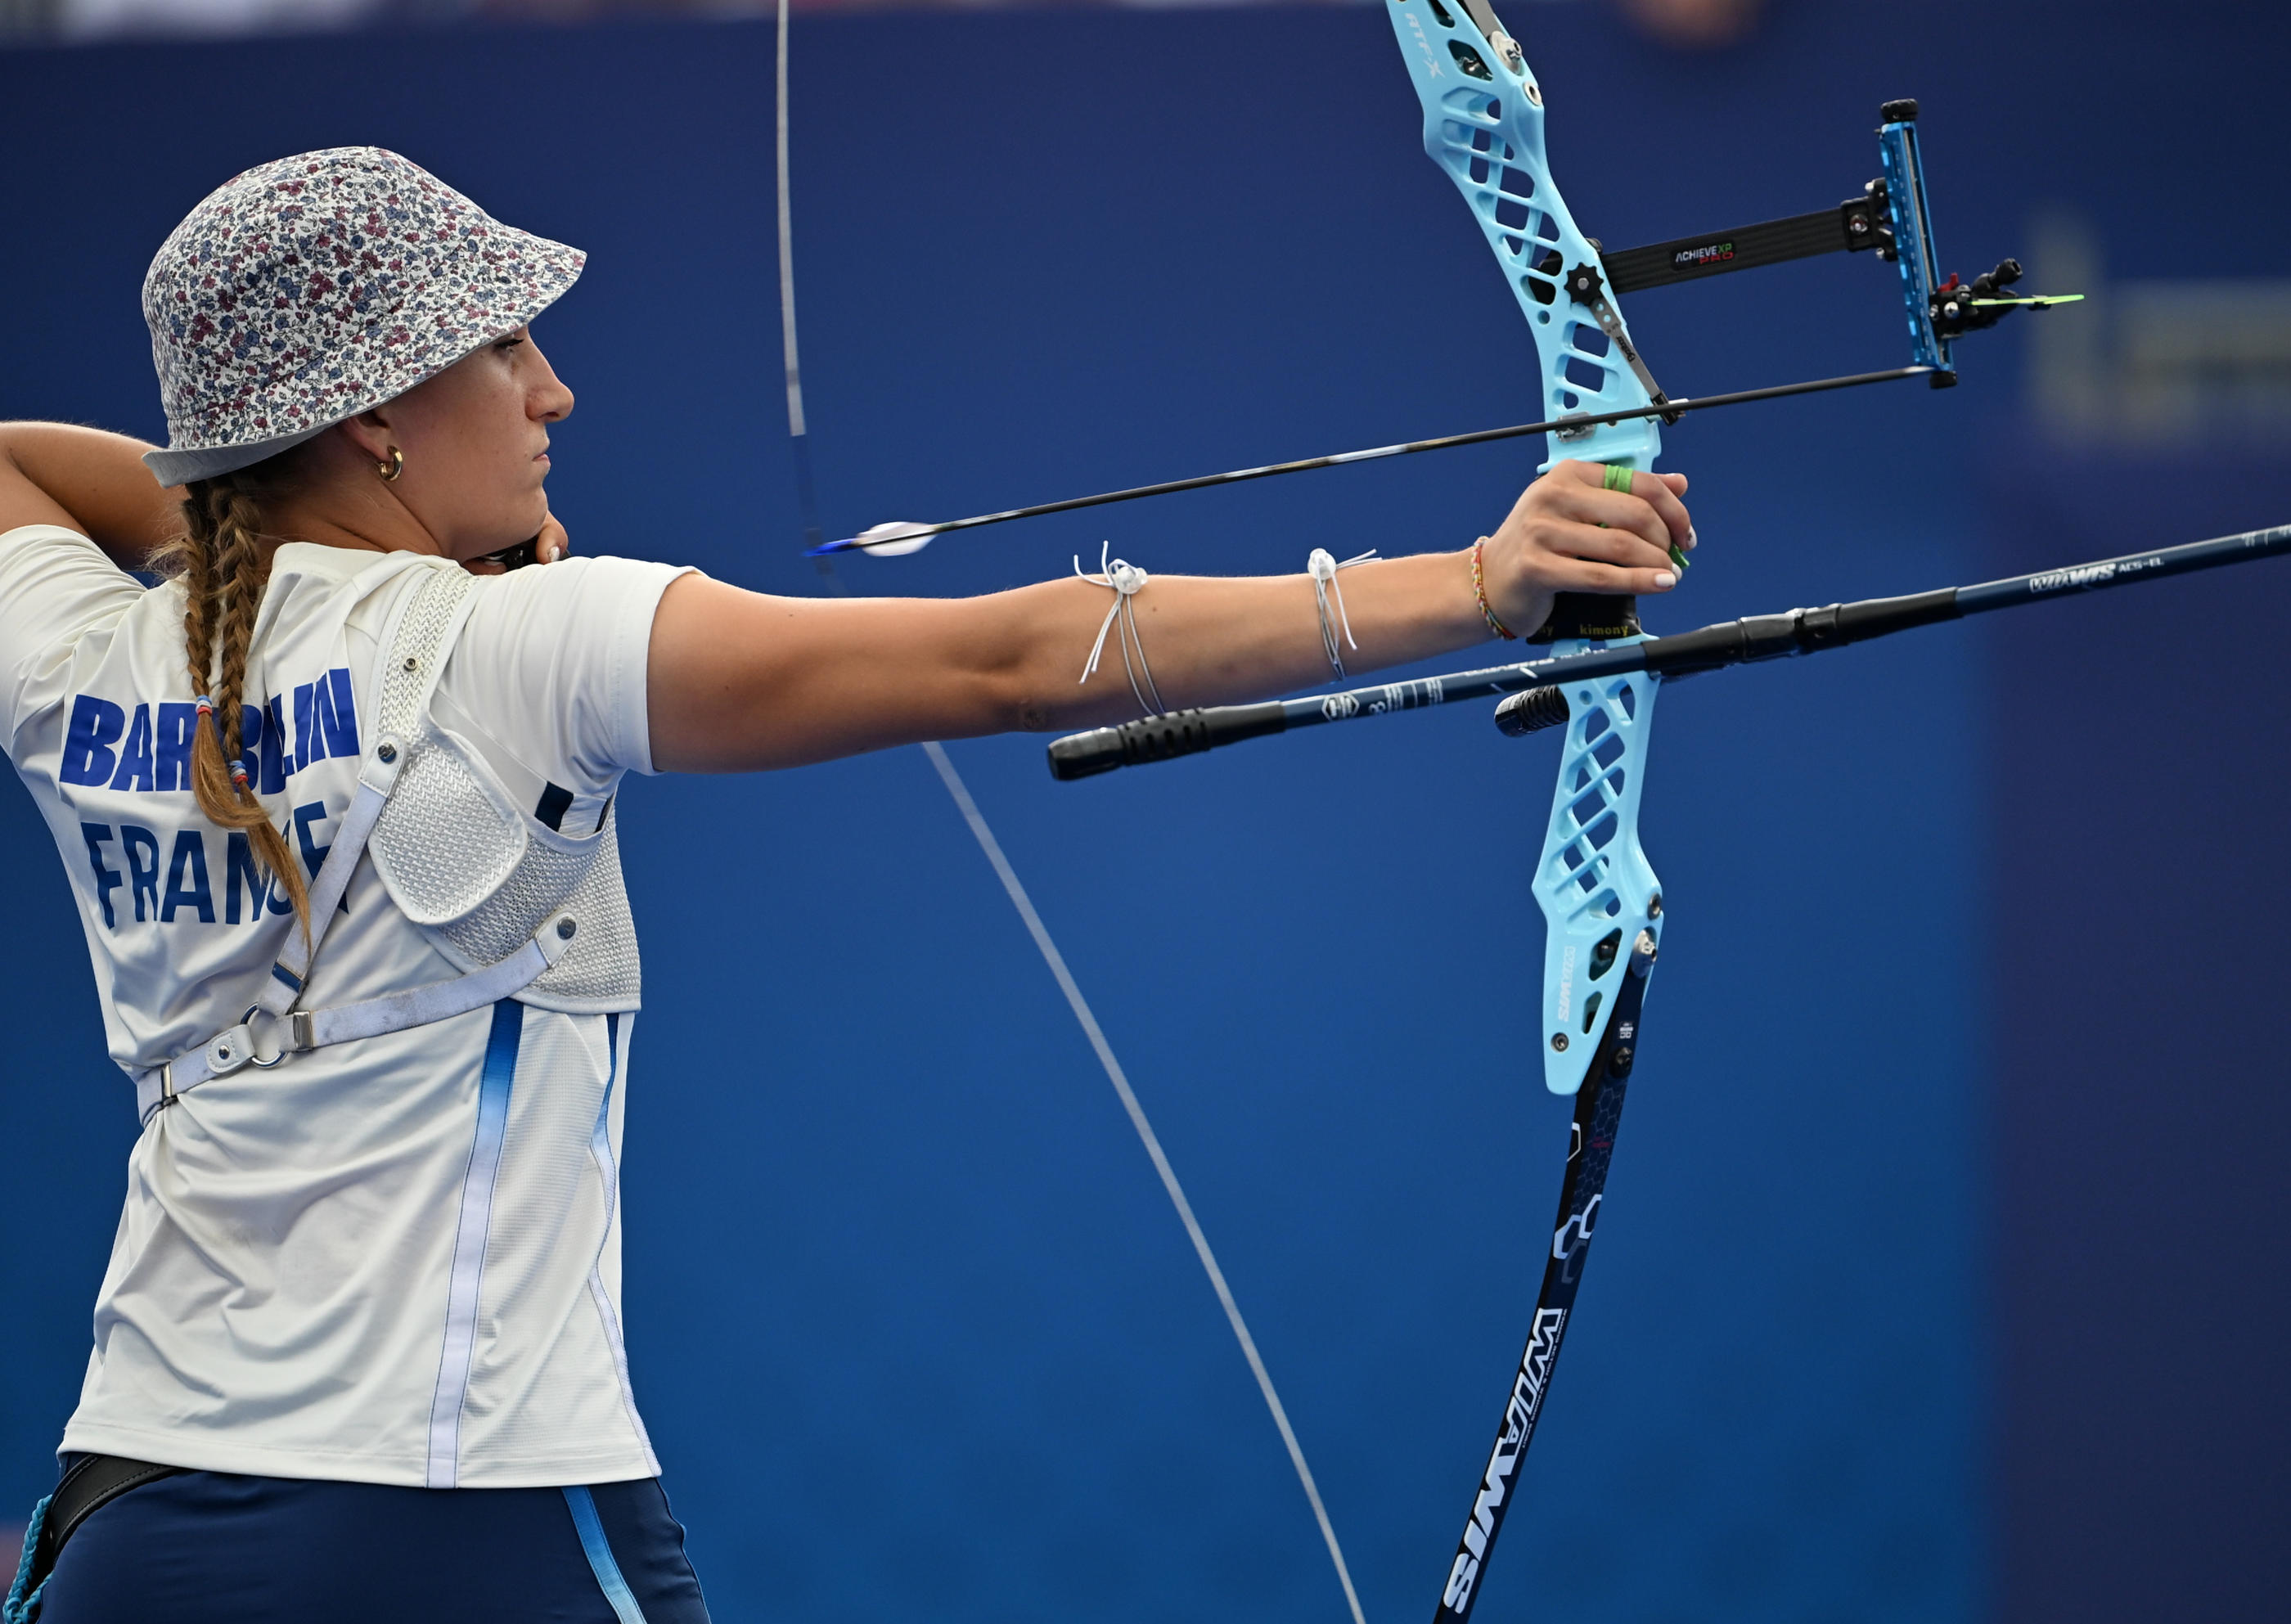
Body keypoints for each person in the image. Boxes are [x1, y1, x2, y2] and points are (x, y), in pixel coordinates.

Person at [0, 147, 1694, 1624]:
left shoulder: (84, 666)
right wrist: (1477, 582)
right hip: (459, 1511)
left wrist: (249, 511)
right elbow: (1011, 661)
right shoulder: (517, 642)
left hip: (135, 1513)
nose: (551, 391)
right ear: (371, 411)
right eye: (498, 346)